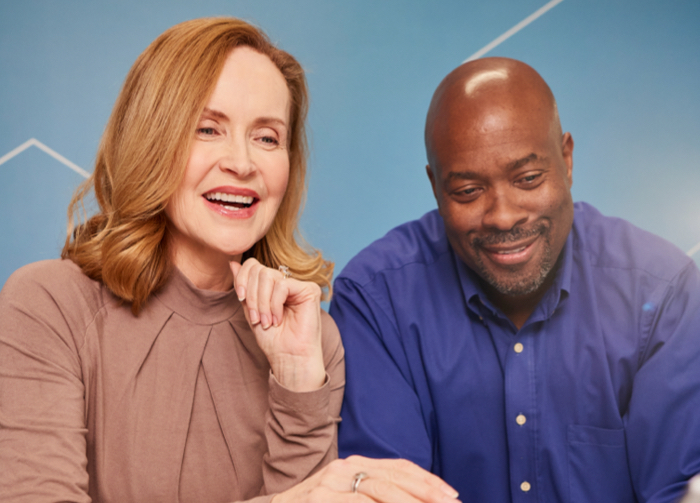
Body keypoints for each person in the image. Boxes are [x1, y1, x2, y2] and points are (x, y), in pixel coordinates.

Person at [0, 17, 460, 503]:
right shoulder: (48, 305)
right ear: (151, 140)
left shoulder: (314, 340)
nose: (242, 163)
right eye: (208, 129)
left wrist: (297, 382)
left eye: (267, 137)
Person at [331, 57, 700, 503]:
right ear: (435, 187)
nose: (504, 215)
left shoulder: (662, 291)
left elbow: (698, 491)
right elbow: (385, 492)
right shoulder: (376, 303)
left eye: (528, 179)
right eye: (468, 192)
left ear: (566, 160)